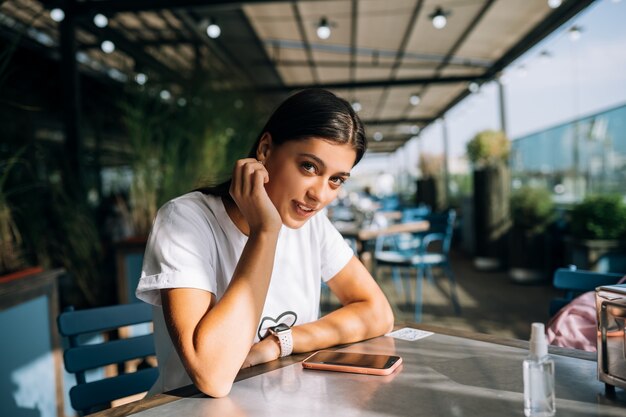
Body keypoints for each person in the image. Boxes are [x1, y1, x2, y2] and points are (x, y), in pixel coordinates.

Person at [135, 88, 394, 398]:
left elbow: (378, 313)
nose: (320, 195)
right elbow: (212, 376)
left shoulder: (312, 225)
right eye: (309, 167)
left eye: (336, 179)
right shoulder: (185, 220)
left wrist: (279, 343)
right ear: (266, 149)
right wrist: (265, 232)